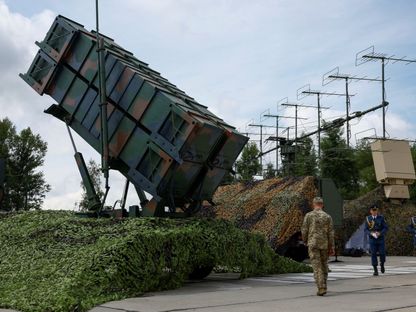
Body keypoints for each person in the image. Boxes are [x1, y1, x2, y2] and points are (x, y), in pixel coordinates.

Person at [301, 197, 335, 296]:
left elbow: (304, 230)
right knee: (324, 265)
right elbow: (331, 233)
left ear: (313, 204)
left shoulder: (309, 215)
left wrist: (305, 240)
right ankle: (324, 285)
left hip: (313, 244)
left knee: (317, 266)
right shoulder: (327, 216)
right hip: (324, 244)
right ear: (322, 204)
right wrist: (331, 246)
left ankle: (321, 287)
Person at [364, 205, 388, 276]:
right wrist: (371, 233)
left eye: (376, 210)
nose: (374, 212)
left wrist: (380, 233)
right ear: (370, 211)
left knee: (382, 253)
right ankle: (375, 269)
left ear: (377, 211)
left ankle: (382, 264)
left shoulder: (381, 218)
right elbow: (366, 229)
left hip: (380, 238)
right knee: (373, 254)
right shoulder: (368, 218)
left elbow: (385, 228)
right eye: (373, 210)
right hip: (372, 239)